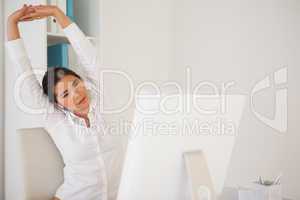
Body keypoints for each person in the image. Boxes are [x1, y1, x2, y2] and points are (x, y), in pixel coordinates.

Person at [6, 4, 123, 200]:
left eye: (76, 84)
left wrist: (57, 13)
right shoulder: (55, 119)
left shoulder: (102, 100)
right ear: (58, 103)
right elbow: (23, 69)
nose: (77, 94)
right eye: (66, 94)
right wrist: (11, 22)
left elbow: (88, 54)